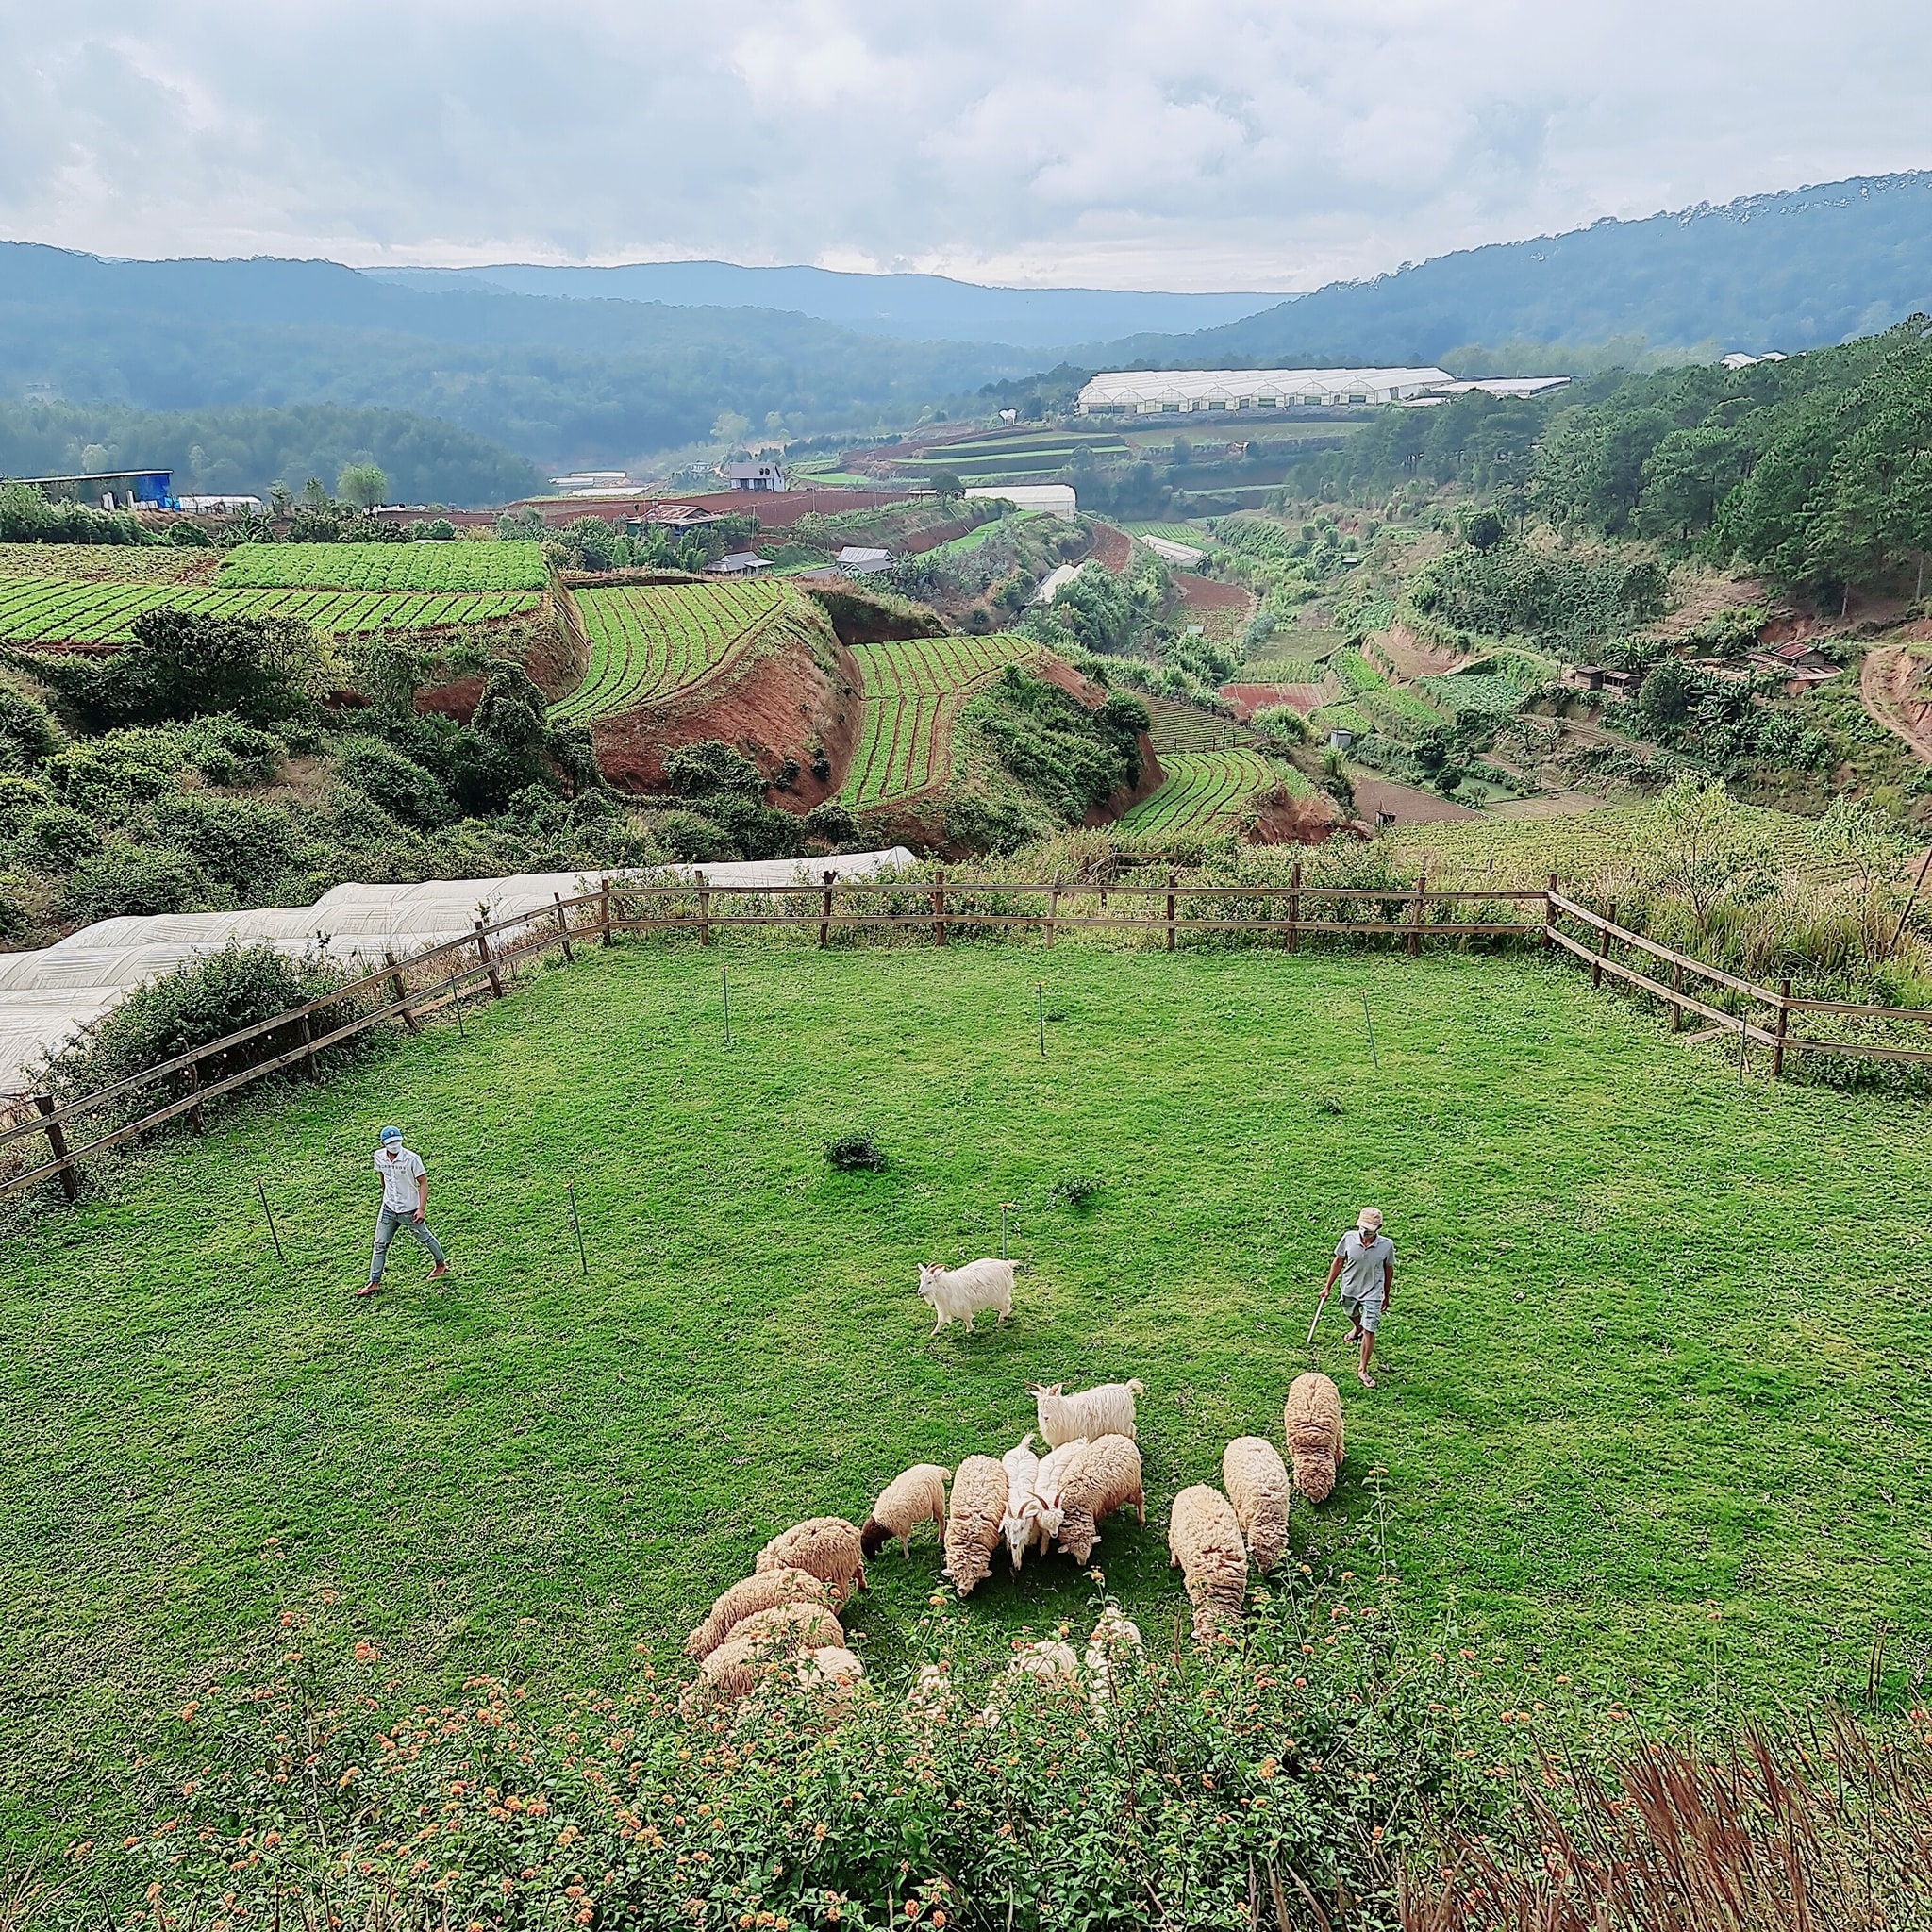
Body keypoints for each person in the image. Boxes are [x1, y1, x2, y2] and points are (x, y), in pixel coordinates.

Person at [360, 1124, 448, 1298]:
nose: (395, 1146)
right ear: (383, 1144)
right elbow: (382, 1176)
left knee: (425, 1237)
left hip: (409, 1210)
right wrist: (386, 1192)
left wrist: (421, 1209)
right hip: (389, 1208)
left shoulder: (411, 1159)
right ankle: (374, 1281)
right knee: (380, 1244)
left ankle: (441, 1265)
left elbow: (423, 1182)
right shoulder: (379, 1157)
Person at [1318, 1207, 1392, 1388]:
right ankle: (1357, 1327)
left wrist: (1386, 1293)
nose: (1365, 1232)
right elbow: (1338, 1261)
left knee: (1370, 1328)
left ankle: (1363, 1369)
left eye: (1369, 1229)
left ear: (1378, 1228)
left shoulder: (1386, 1245)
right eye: (1363, 1227)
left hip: (1373, 1292)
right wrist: (1327, 1287)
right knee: (1350, 1312)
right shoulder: (1348, 1238)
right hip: (1350, 1287)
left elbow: (1388, 1269)